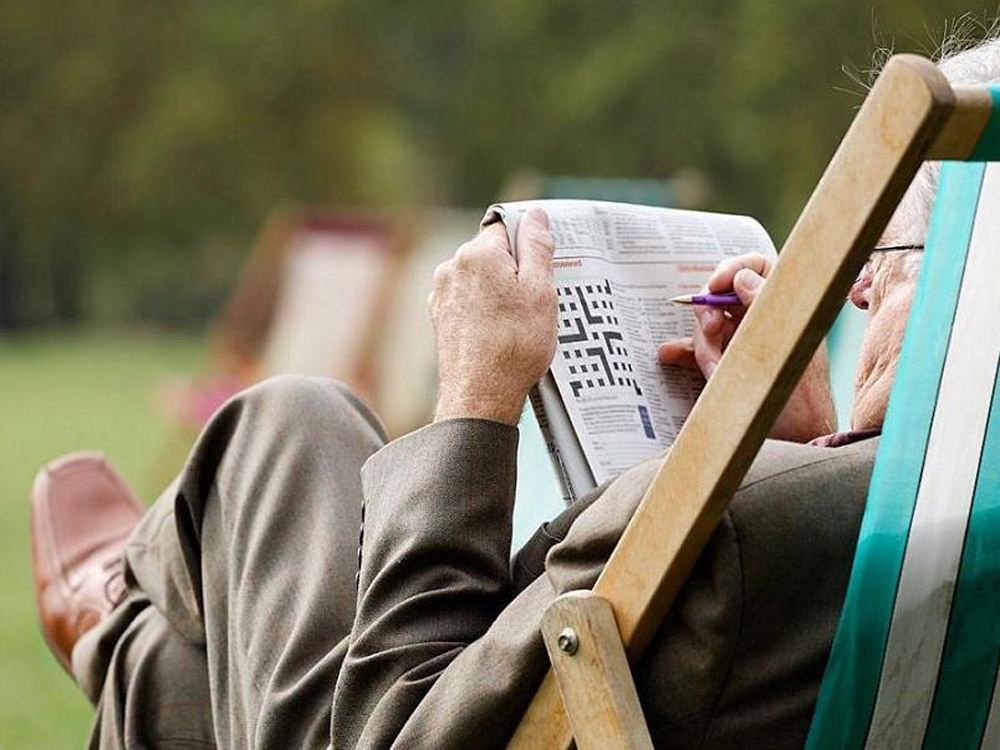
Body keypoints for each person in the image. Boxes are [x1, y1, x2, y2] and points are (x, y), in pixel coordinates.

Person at [29, 37, 999, 749]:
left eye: (891, 255)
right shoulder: (906, 522)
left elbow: (391, 723)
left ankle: (118, 614)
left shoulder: (745, 530)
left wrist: (478, 398)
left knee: (290, 423)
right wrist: (787, 440)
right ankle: (129, 625)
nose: (860, 286)